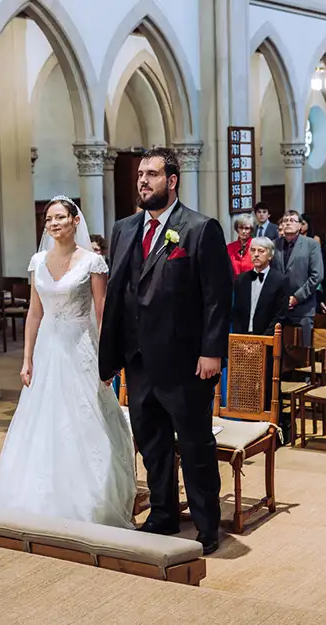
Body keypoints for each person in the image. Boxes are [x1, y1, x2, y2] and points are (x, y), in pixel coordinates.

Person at [98, 147, 232, 555]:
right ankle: (162, 514)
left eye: (152, 174)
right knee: (152, 444)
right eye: (140, 174)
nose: (143, 181)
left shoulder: (199, 228)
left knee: (194, 447)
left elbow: (217, 296)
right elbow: (119, 293)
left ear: (172, 180)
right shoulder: (123, 229)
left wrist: (212, 352)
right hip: (138, 362)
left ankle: (208, 526)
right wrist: (112, 354)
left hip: (185, 363)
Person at [0, 196, 136, 528]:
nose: (54, 224)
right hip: (48, 349)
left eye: (60, 218)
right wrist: (26, 358)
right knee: (43, 422)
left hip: (81, 347)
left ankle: (92, 497)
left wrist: (105, 358)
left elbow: (101, 312)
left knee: (85, 419)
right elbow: (35, 313)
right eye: (49, 219)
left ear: (75, 221)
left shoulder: (92, 262)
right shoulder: (37, 261)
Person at [275, 210, 324, 345]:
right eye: (285, 221)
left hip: (303, 307)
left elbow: (317, 276)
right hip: (280, 307)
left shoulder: (311, 244)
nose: (288, 223)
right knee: (280, 354)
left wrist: (296, 298)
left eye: (292, 220)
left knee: (303, 354)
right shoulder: (275, 244)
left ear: (300, 226)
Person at [231, 236, 290, 335]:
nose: (256, 255)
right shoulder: (240, 279)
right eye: (253, 250)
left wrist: (263, 340)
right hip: (242, 340)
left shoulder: (281, 281)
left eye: (261, 251)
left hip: (268, 340)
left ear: (270, 256)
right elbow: (237, 313)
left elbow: (280, 316)